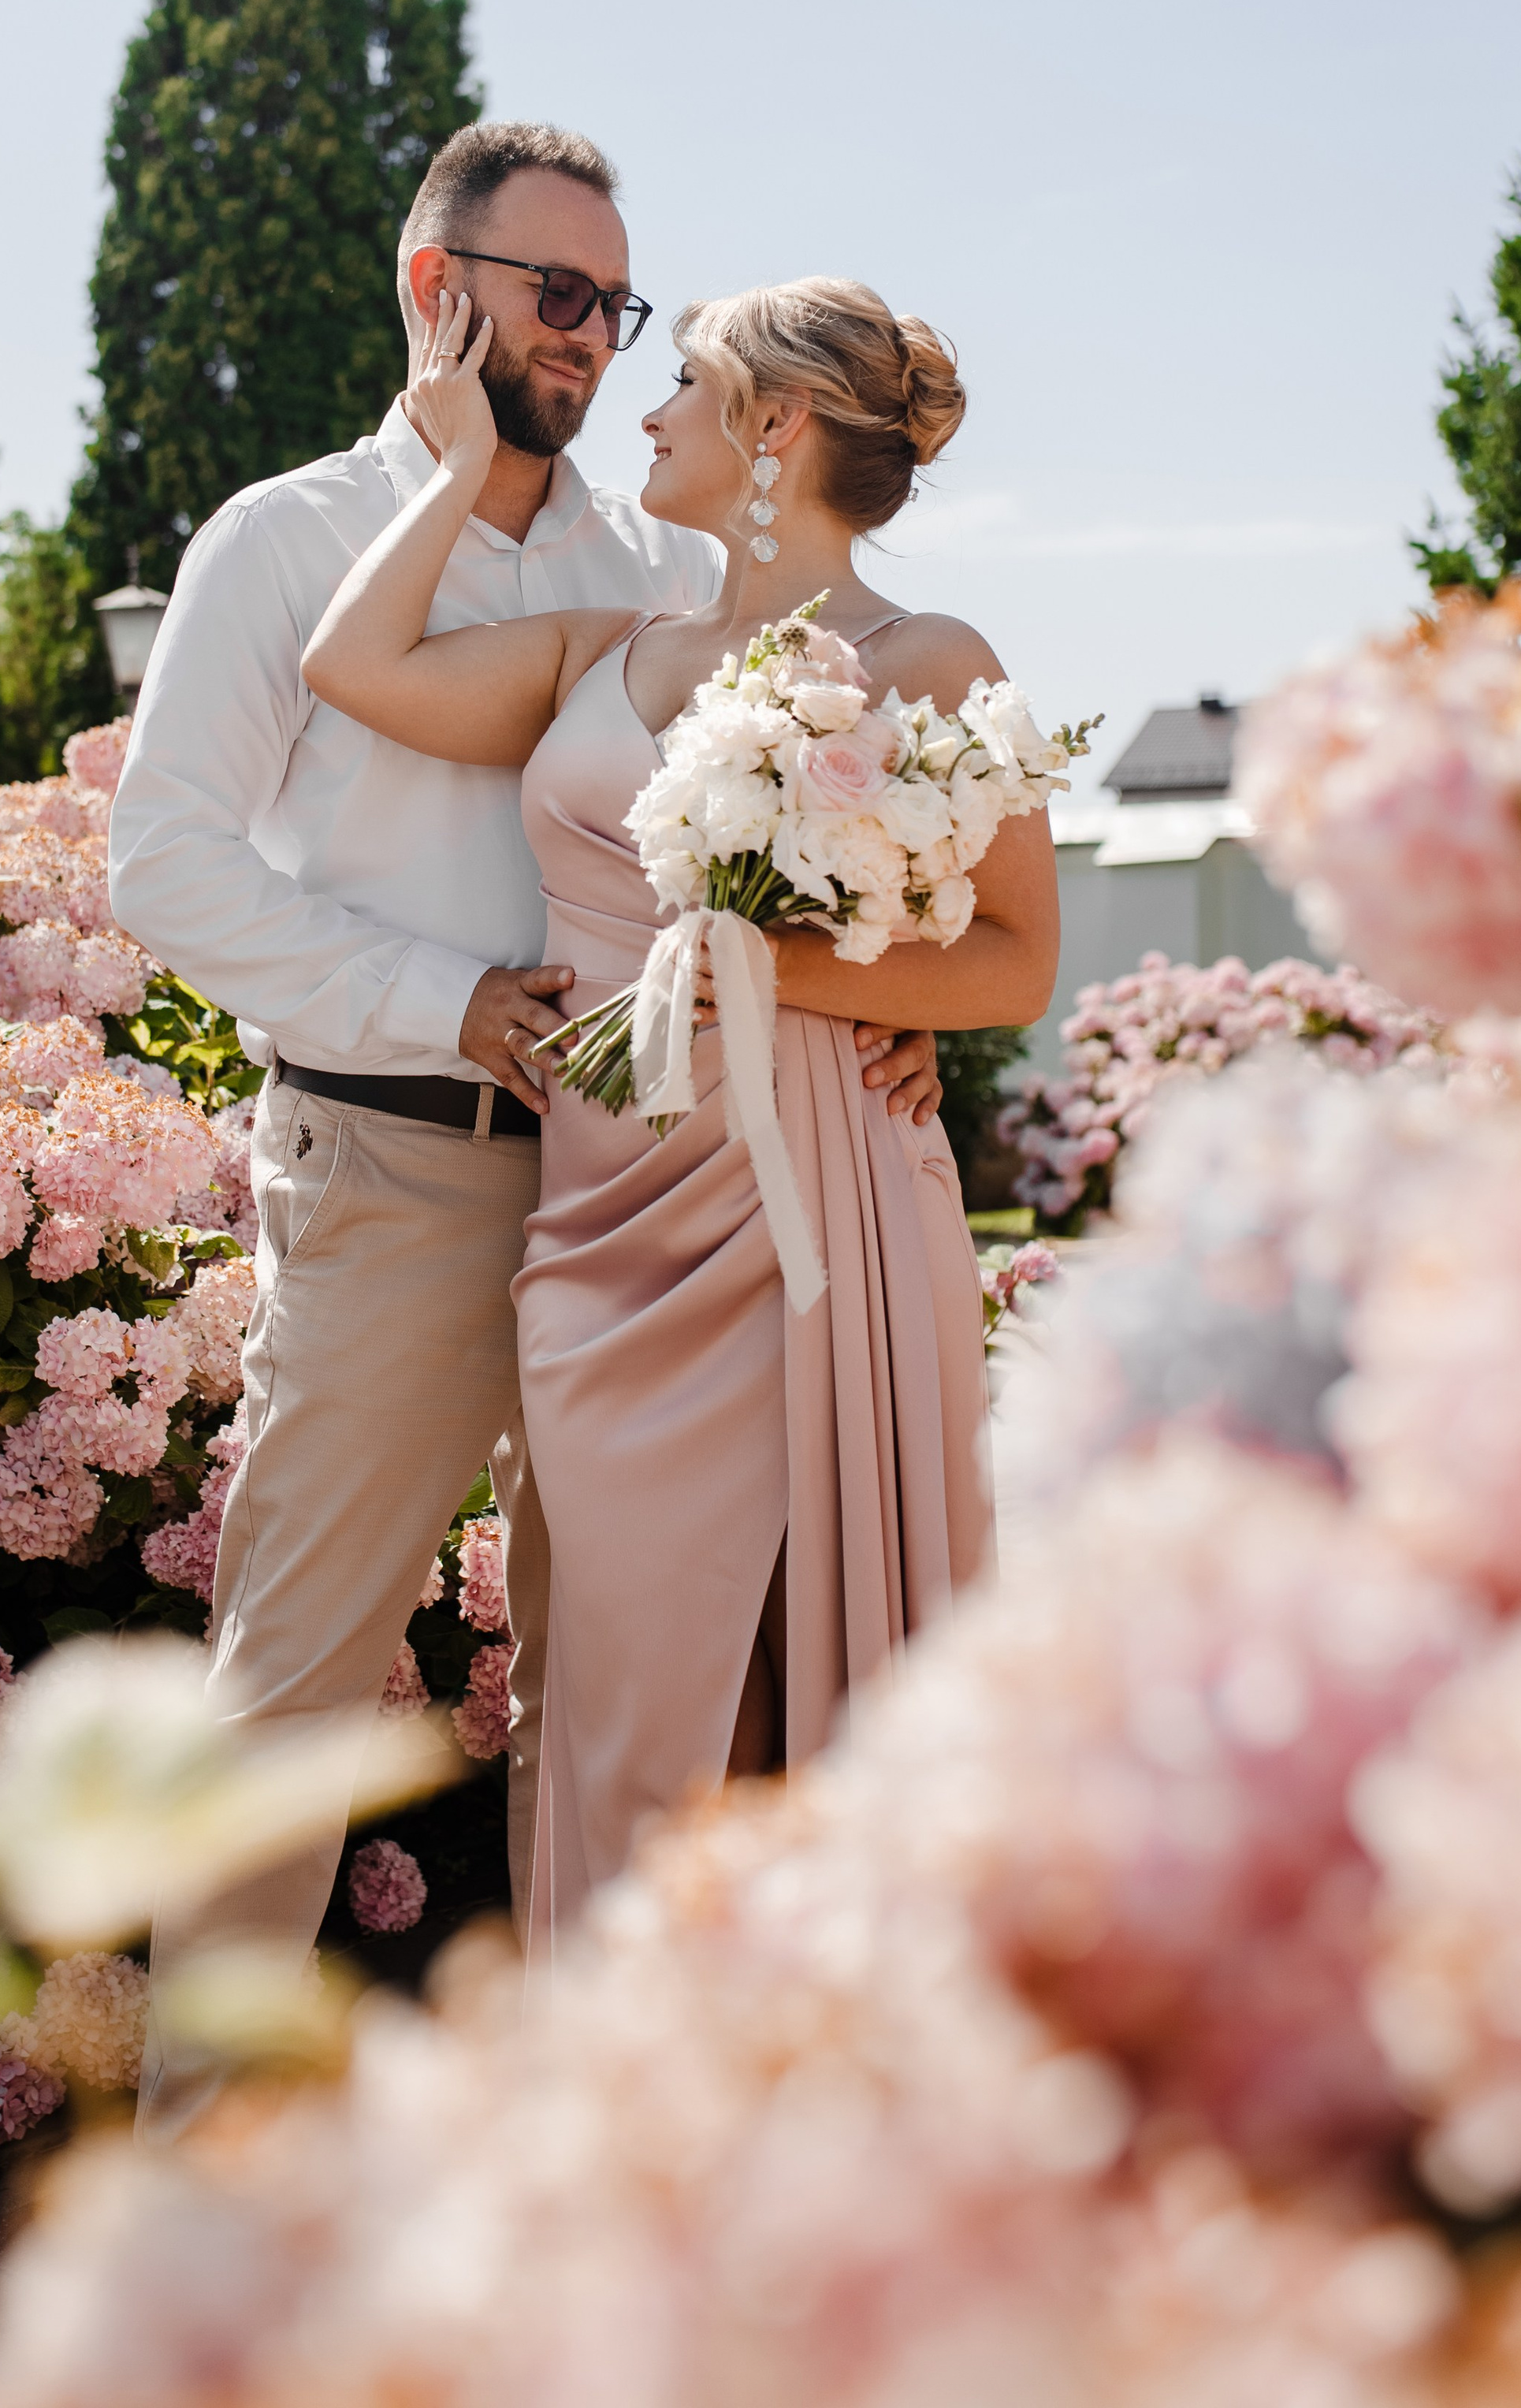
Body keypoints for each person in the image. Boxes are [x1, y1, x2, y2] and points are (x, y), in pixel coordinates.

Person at [109, 124, 943, 2123]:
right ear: (438, 287)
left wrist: (888, 1031)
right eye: (558, 294)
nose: (593, 338)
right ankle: (186, 2223)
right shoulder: (285, 537)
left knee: (615, 1700)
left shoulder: (658, 561)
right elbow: (164, 866)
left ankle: (598, 2194)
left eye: (616, 305)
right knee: (294, 1701)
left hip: (652, 1205)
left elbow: (840, 840)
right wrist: (440, 1006)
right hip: (389, 1172)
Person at [304, 270, 1058, 1943]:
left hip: (820, 1215)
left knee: (823, 1683)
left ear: (773, 429)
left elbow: (1009, 964)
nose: (643, 411)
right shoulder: (605, 650)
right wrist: (436, 471)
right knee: (632, 1697)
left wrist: (779, 973)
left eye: (687, 386)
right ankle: (634, 2081)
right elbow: (351, 663)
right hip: (599, 1238)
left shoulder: (925, 658)